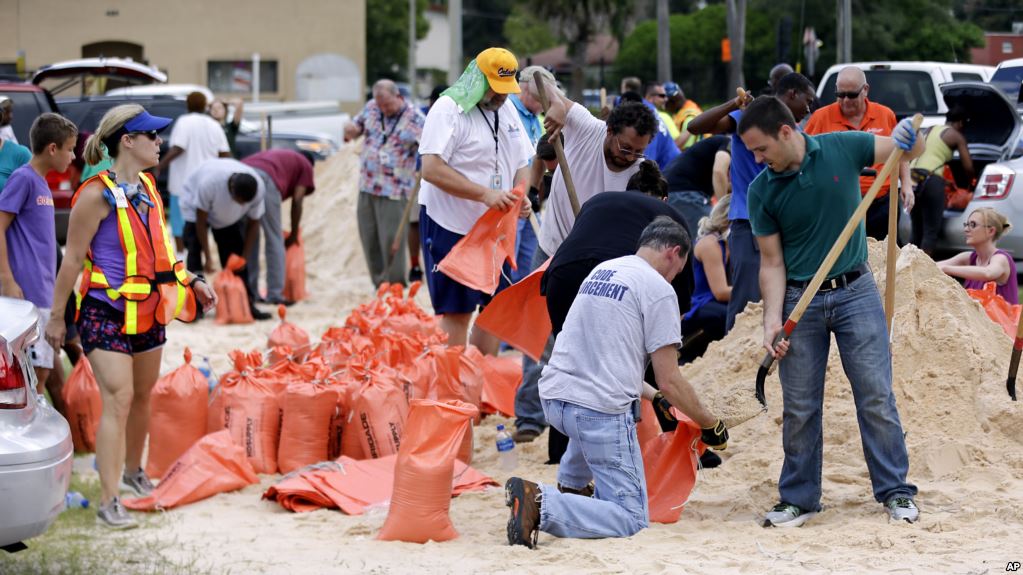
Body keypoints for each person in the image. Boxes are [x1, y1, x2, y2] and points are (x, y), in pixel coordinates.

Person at [740, 95, 922, 527]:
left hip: (855, 291)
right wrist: (772, 321)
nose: (757, 159)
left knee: (875, 394)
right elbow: (771, 263)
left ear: (786, 132)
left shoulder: (842, 147)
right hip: (799, 300)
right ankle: (799, 498)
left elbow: (902, 150)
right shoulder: (761, 190)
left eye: (761, 148)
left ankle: (896, 491)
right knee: (800, 406)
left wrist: (909, 139)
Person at [504, 216, 728, 547]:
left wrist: (655, 398)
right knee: (630, 517)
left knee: (597, 410)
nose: (674, 278)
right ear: (673, 252)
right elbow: (670, 379)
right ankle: (540, 503)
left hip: (555, 399)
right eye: (678, 271)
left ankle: (572, 486)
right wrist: (709, 423)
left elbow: (611, 362)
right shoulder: (658, 290)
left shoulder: (603, 271)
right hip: (594, 412)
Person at [45, 104, 216, 529]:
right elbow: (71, 261)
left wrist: (191, 279)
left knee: (142, 396)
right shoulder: (94, 194)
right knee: (118, 399)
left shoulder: (149, 187)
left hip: (149, 312)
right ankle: (109, 502)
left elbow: (162, 253)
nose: (160, 143)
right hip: (104, 311)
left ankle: (133, 471)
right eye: (152, 136)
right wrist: (56, 318)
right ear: (127, 141)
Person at [513, 81, 658, 444]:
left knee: (592, 340)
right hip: (552, 249)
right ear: (609, 131)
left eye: (638, 151)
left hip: (598, 264)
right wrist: (556, 110)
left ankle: (597, 411)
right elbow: (543, 84)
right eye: (625, 147)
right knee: (541, 335)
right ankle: (530, 416)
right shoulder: (588, 128)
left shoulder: (640, 172)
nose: (629, 156)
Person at [418, 47, 533, 352]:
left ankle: (482, 374)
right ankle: (455, 377)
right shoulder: (448, 109)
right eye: (496, 88)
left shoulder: (507, 109)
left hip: (495, 229)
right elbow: (431, 169)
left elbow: (523, 160)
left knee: (495, 308)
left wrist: (521, 193)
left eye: (507, 89)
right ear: (478, 79)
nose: (502, 96)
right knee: (458, 310)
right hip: (451, 224)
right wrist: (484, 194)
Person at [688, 72, 817, 332]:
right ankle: (736, 357)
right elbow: (696, 127)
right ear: (792, 94)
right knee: (746, 305)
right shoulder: (750, 117)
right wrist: (734, 104)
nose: (808, 108)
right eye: (807, 100)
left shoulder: (795, 132)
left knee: (779, 301)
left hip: (785, 227)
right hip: (750, 225)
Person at [0, 113, 77, 393]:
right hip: (26, 294)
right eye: (70, 149)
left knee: (41, 373)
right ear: (52, 148)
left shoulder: (41, 182)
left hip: (44, 293)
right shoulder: (24, 178)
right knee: (30, 378)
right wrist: (7, 279)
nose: (73, 157)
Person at [804, 66, 913, 241]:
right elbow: (804, 158)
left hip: (880, 203)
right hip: (838, 207)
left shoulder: (885, 115)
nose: (846, 100)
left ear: (865, 90)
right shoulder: (821, 117)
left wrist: (906, 184)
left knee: (881, 252)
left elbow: (900, 152)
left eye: (852, 95)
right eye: (840, 95)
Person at [345, 79, 425, 287]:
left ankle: (396, 286)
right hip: (368, 185)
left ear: (398, 96)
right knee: (369, 238)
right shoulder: (371, 108)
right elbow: (357, 127)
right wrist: (350, 129)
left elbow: (429, 147)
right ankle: (379, 285)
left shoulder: (415, 118)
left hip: (395, 189)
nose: (384, 109)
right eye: (380, 105)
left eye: (388, 104)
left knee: (391, 240)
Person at [181, 158, 269, 320]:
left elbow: (254, 224)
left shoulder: (258, 188)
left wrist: (244, 257)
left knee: (235, 257)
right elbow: (201, 222)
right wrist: (208, 257)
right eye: (239, 202)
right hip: (195, 208)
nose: (242, 205)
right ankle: (196, 308)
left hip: (227, 218)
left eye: (245, 204)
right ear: (231, 189)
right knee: (194, 252)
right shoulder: (210, 184)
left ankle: (247, 304)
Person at [156, 91, 231, 251]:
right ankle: (200, 255)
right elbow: (225, 154)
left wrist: (159, 166)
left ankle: (181, 257)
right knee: (201, 223)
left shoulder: (184, 121)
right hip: (207, 184)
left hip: (182, 185)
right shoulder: (214, 125)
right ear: (205, 106)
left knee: (178, 225)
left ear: (187, 105)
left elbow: (179, 147)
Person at [240, 148, 316, 304]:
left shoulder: (282, 156)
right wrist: (294, 233)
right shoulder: (306, 165)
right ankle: (275, 294)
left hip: (241, 175)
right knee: (274, 237)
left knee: (250, 237)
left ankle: (251, 292)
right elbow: (297, 200)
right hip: (265, 179)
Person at [507, 66, 554, 283]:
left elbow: (538, 157)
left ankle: (523, 296)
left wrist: (535, 191)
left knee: (531, 257)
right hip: (511, 196)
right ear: (527, 90)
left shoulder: (536, 118)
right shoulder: (508, 110)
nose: (546, 103)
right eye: (542, 97)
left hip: (530, 198)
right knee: (509, 260)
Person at [910, 106, 974, 256]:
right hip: (930, 179)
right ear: (961, 123)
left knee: (916, 230)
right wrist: (971, 182)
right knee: (930, 231)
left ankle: (906, 265)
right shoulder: (956, 136)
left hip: (911, 178)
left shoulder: (930, 129)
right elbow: (968, 167)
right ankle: (923, 268)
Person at [680, 195, 731, 364]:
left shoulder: (727, 244)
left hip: (712, 303)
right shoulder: (711, 243)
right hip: (700, 304)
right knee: (727, 315)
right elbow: (720, 292)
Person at [937, 208, 1017, 303]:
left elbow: (988, 273)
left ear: (991, 231)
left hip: (999, 313)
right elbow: (932, 265)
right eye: (966, 225)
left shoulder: (1001, 258)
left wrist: (946, 269)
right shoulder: (967, 257)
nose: (966, 229)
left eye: (973, 225)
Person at [662, 134, 730, 233]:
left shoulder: (712, 146)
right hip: (685, 193)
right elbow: (719, 172)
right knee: (711, 233)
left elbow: (725, 183)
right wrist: (723, 209)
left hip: (668, 192)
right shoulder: (730, 143)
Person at [664, 82, 704, 151]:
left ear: (673, 102)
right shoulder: (684, 111)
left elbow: (686, 148)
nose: (664, 107)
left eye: (665, 103)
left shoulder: (689, 117)